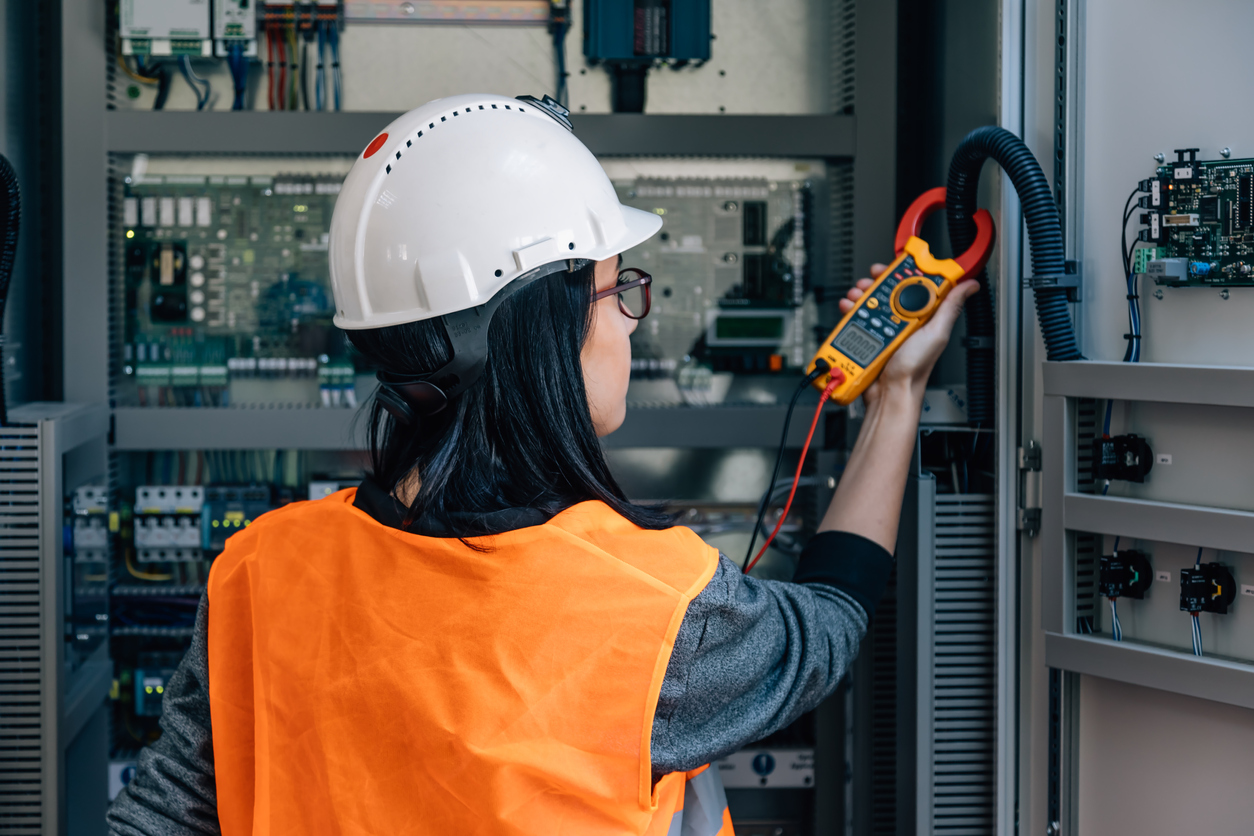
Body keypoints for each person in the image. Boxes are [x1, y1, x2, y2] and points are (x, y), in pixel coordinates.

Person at [107, 93, 979, 836]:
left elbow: (163, 817)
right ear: (540, 332)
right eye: (616, 289)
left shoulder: (262, 569)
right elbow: (825, 627)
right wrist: (896, 396)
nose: (631, 322)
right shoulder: (655, 608)